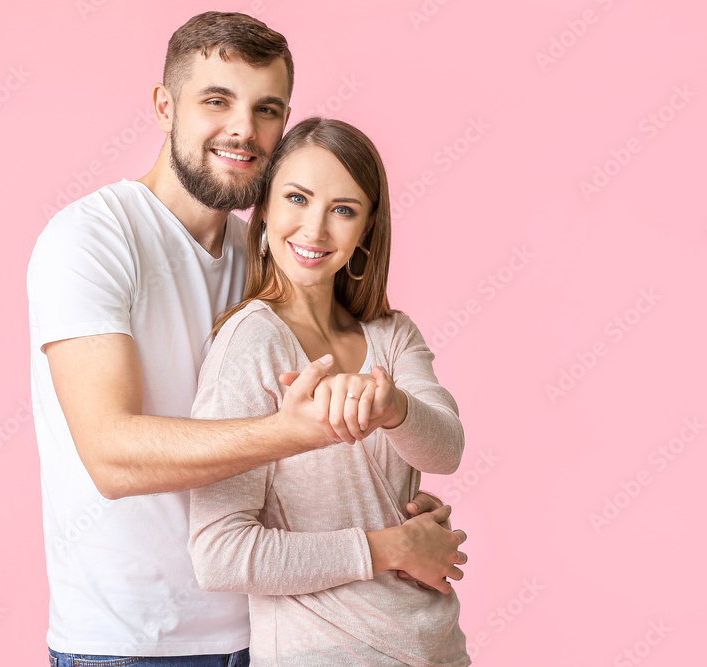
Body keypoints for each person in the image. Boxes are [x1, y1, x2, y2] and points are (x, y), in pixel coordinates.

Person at [26, 12, 466, 666]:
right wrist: (315, 449)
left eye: (266, 109)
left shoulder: (264, 257)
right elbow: (110, 454)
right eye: (216, 100)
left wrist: (391, 494)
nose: (243, 128)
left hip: (259, 631)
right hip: (131, 639)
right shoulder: (91, 239)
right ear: (163, 106)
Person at [188, 117, 471, 666]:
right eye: (297, 198)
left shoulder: (392, 335)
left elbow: (447, 450)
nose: (315, 230)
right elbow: (220, 555)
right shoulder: (250, 342)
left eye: (343, 209)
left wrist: (391, 407)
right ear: (264, 206)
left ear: (366, 228)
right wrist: (391, 548)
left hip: (438, 651)